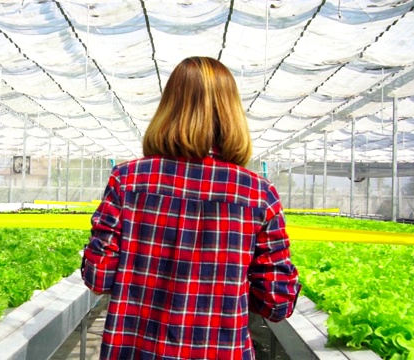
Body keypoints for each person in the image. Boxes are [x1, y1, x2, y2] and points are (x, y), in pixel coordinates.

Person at [81, 56, 301, 360]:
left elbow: (98, 276)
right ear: (231, 112)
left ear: (169, 108)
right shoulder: (258, 195)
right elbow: (278, 302)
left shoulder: (127, 181)